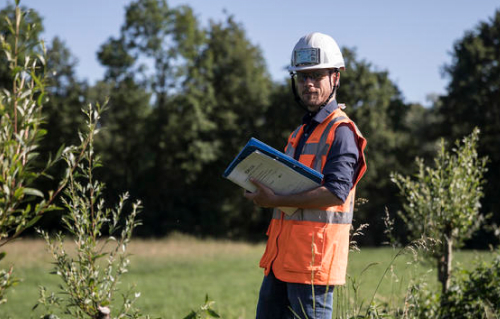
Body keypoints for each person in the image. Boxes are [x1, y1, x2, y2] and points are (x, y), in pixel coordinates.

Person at [244, 32, 367, 319]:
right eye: (302, 77)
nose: (308, 84)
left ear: (335, 78)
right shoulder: (299, 133)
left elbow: (335, 192)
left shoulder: (343, 132)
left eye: (316, 76)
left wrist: (274, 199)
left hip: (313, 267)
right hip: (280, 261)